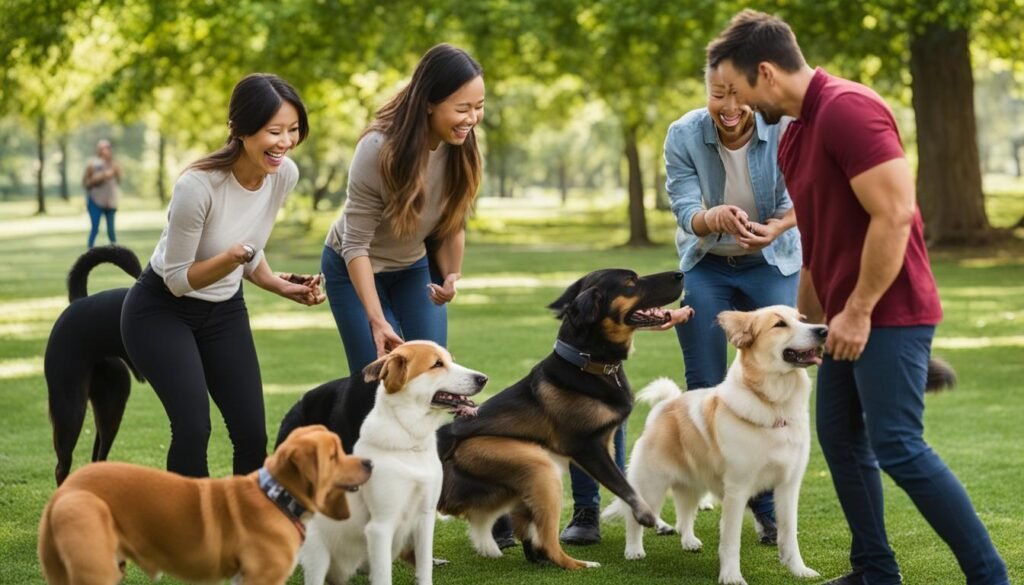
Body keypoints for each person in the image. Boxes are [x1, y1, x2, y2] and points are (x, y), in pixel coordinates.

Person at [706, 10, 1009, 585]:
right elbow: (818, 243)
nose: (737, 104)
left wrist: (861, 310)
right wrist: (809, 325)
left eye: (738, 89)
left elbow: (894, 214)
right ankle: (875, 569)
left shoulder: (850, 108)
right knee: (841, 441)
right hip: (841, 318)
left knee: (897, 442)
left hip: (888, 312)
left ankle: (988, 576)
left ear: (765, 72)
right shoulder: (795, 136)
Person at [121, 73, 325, 478]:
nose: (285, 142)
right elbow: (178, 279)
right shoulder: (197, 187)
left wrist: (282, 285)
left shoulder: (283, 174)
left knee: (251, 432)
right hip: (161, 310)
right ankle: (188, 535)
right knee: (194, 428)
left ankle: (247, 532)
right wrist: (232, 257)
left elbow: (249, 249)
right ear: (241, 130)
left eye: (293, 130)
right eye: (274, 131)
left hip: (223, 311)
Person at [663, 65, 802, 546]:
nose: (727, 107)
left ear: (754, 89)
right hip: (710, 264)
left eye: (736, 95)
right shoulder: (683, 133)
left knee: (779, 375)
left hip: (770, 261)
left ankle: (764, 507)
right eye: (716, 95)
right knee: (707, 386)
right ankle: (726, 492)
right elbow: (683, 206)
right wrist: (710, 217)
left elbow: (802, 196)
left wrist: (777, 228)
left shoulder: (784, 126)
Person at [321, 43, 483, 382]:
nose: (472, 119)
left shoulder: (461, 145)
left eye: (478, 107)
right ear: (428, 103)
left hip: (412, 267)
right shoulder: (379, 150)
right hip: (353, 267)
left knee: (433, 374)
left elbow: (453, 220)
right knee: (381, 378)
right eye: (462, 108)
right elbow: (355, 246)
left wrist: (453, 274)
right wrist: (377, 322)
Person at [83, 139, 122, 248]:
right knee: (95, 228)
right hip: (95, 201)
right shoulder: (92, 164)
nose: (105, 150)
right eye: (102, 148)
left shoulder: (115, 165)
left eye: (107, 147)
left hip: (110, 202)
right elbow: (86, 183)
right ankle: (90, 250)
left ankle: (115, 251)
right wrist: (103, 176)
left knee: (111, 230)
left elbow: (119, 180)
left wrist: (115, 172)